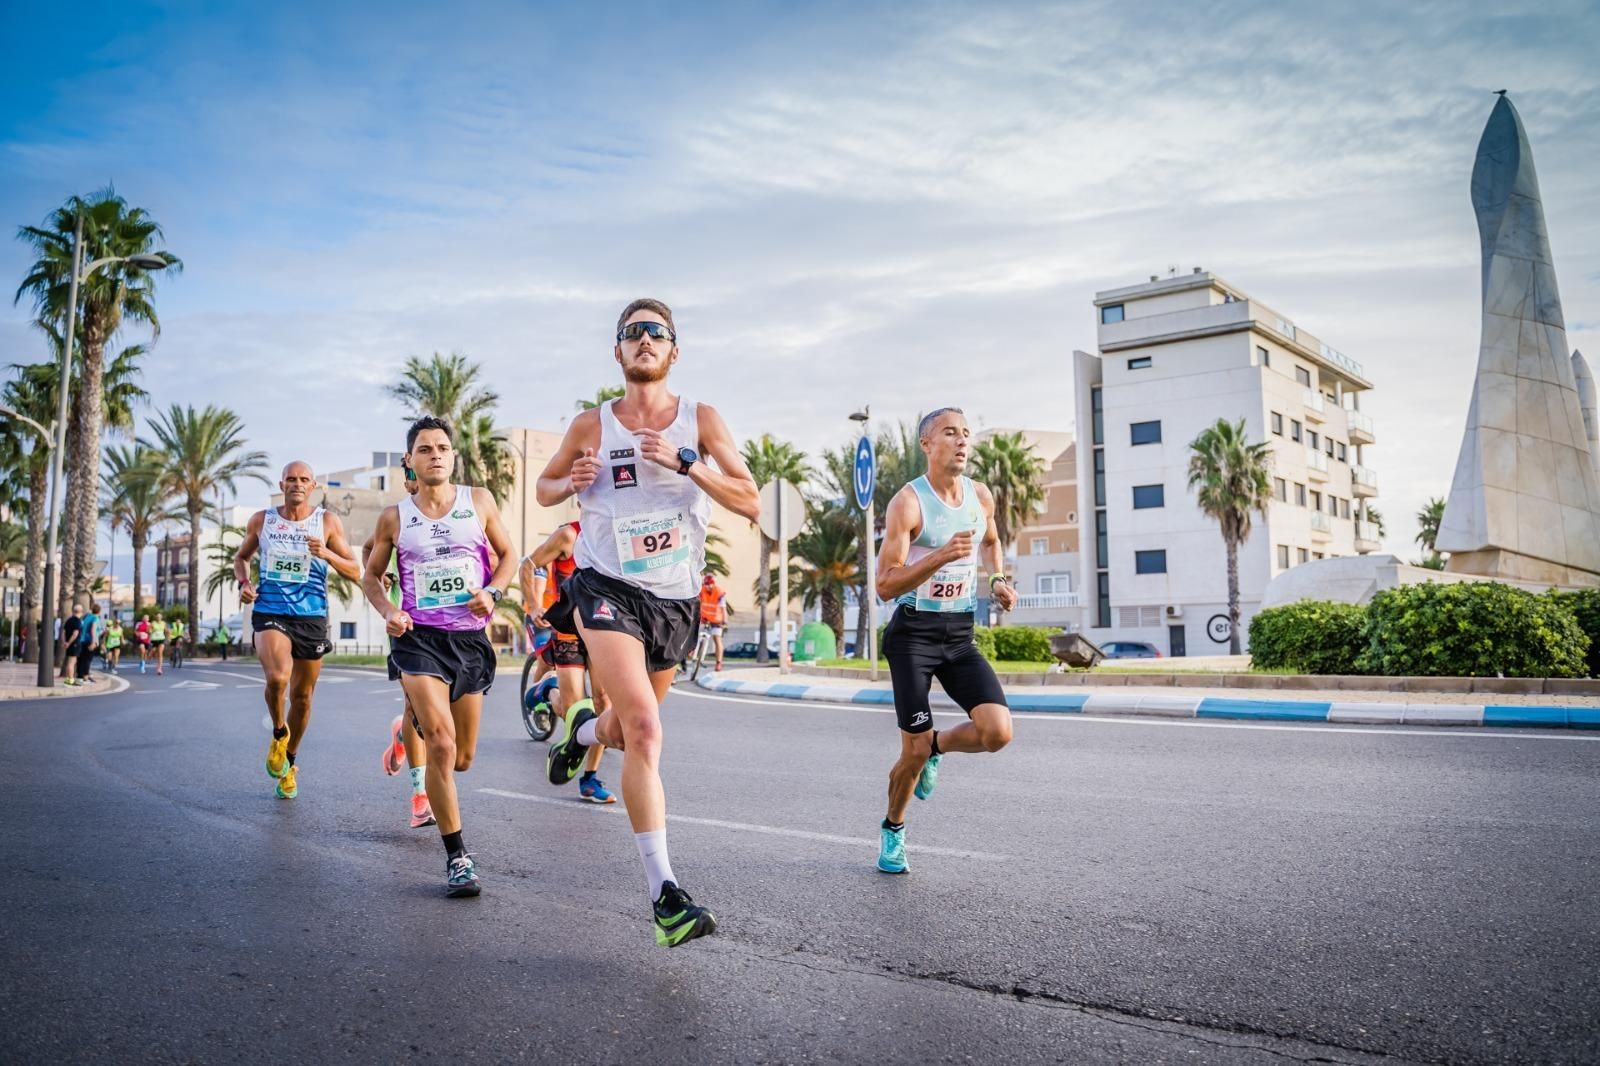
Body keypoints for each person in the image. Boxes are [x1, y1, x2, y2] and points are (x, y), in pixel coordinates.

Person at [538, 297, 760, 946]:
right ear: (617, 351)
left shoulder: (701, 420)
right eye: (632, 332)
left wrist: (687, 463)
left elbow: (750, 500)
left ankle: (579, 733)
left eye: (655, 333)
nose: (644, 340)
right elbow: (545, 488)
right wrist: (570, 481)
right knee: (644, 729)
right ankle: (666, 895)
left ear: (673, 351)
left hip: (675, 600)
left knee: (622, 729)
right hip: (605, 588)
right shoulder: (592, 424)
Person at [363, 417, 516, 897]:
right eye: (425, 449)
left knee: (462, 758)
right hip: (418, 640)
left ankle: (405, 728)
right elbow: (370, 575)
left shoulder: (479, 502)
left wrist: (492, 592)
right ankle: (458, 858)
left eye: (442, 448)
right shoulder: (394, 517)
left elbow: (509, 556)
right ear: (409, 460)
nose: (435, 455)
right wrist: (389, 611)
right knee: (443, 746)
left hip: (469, 640)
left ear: (453, 456)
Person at [872, 408, 1017, 876]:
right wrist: (939, 556)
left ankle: (938, 745)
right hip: (913, 636)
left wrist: (997, 578)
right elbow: (885, 585)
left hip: (959, 634)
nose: (961, 441)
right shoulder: (908, 503)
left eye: (966, 434)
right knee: (910, 753)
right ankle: (893, 829)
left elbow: (991, 541)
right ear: (927, 444)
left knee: (997, 732)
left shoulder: (980, 495)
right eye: (950, 433)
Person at [234, 461, 362, 801]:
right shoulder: (262, 520)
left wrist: (327, 554)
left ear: (313, 486)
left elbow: (355, 570)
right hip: (270, 610)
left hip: (311, 616)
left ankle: (289, 762)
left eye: (304, 479)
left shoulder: (327, 522)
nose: (297, 484)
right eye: (291, 479)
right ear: (281, 485)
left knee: (303, 697)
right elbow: (241, 557)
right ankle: (279, 732)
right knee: (278, 678)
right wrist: (244, 583)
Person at [520, 518, 616, 803]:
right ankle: (548, 689)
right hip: (568, 632)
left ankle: (590, 778)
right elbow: (527, 564)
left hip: (602, 629)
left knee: (603, 703)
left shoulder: (618, 535)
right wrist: (533, 605)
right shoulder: (568, 536)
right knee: (575, 711)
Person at [368, 461, 435, 829]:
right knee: (415, 707)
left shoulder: (454, 513)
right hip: (407, 628)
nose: (413, 482)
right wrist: (382, 580)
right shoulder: (397, 517)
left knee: (444, 713)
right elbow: (369, 555)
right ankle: (420, 796)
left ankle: (400, 735)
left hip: (452, 630)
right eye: (408, 475)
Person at [697, 571, 731, 672]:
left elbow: (723, 609)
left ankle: (718, 663)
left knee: (717, 639)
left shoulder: (719, 593)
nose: (708, 586)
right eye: (706, 584)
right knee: (694, 632)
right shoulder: (701, 590)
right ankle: (693, 652)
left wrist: (725, 622)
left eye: (710, 584)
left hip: (717, 621)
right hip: (704, 618)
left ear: (714, 583)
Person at [74, 602, 101, 684]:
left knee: (81, 659)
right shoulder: (95, 618)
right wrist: (93, 642)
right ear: (99, 611)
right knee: (87, 659)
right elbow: (93, 629)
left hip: (81, 640)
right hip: (89, 641)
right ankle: (85, 677)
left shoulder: (86, 617)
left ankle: (79, 676)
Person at [59, 604, 83, 684]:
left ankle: (68, 678)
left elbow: (63, 632)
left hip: (69, 644)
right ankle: (70, 679)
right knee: (71, 663)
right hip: (74, 644)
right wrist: (69, 643)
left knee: (70, 662)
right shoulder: (77, 621)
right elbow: (75, 634)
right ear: (81, 612)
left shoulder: (69, 620)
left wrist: (65, 642)